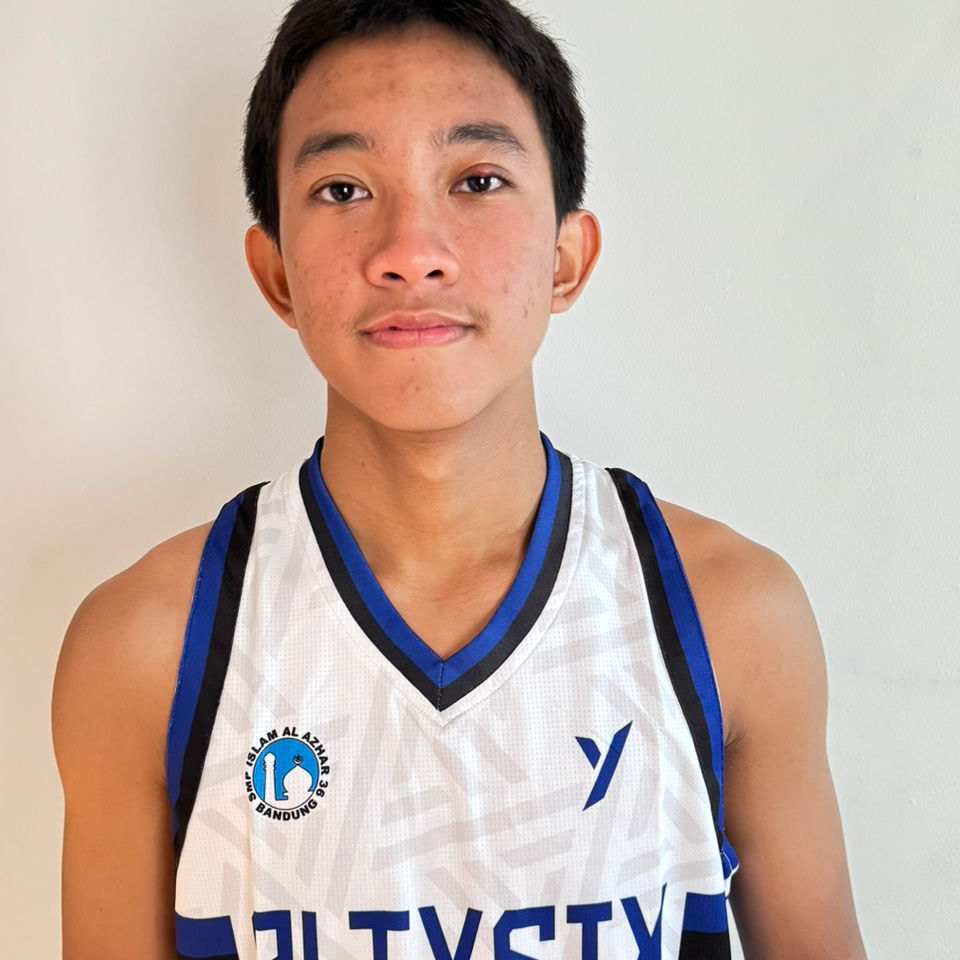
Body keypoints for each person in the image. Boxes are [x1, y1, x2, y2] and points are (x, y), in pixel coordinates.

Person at [52, 1, 868, 958]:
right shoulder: (148, 647)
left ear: (566, 257)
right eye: (344, 189)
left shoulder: (726, 616)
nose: (411, 252)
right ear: (275, 275)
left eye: (477, 180)